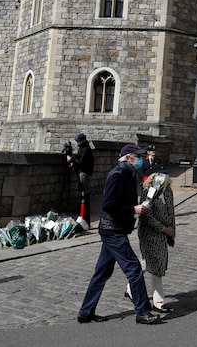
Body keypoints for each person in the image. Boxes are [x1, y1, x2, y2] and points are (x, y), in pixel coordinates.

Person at [77, 144, 160, 325]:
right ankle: (143, 311)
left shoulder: (128, 173)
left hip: (114, 229)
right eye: (137, 156)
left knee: (102, 272)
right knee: (134, 269)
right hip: (112, 230)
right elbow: (108, 205)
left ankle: (85, 312)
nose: (140, 159)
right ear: (128, 157)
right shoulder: (118, 174)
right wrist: (133, 209)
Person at [133, 171, 175, 313]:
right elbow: (147, 218)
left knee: (147, 262)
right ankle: (158, 301)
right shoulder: (147, 194)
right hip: (149, 234)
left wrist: (171, 232)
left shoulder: (168, 193)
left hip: (163, 234)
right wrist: (164, 229)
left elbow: (171, 213)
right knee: (155, 265)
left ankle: (130, 288)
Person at [68, 132, 95, 222]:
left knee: (84, 193)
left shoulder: (86, 149)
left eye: (78, 141)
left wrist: (72, 159)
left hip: (84, 173)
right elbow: (79, 157)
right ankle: (81, 211)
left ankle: (85, 214)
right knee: (82, 192)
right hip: (82, 172)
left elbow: (81, 162)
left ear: (83, 140)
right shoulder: (83, 148)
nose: (77, 143)